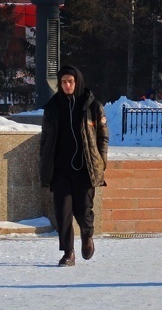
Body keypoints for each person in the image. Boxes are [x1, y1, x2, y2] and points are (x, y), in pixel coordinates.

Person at [38, 65, 109, 267]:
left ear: (77, 82)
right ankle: (68, 252)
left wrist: (101, 161)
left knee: (84, 210)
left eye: (70, 81)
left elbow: (103, 137)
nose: (67, 85)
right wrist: (43, 161)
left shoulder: (92, 106)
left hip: (84, 168)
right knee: (62, 212)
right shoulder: (52, 107)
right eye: (63, 82)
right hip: (60, 169)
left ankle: (87, 236)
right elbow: (45, 139)